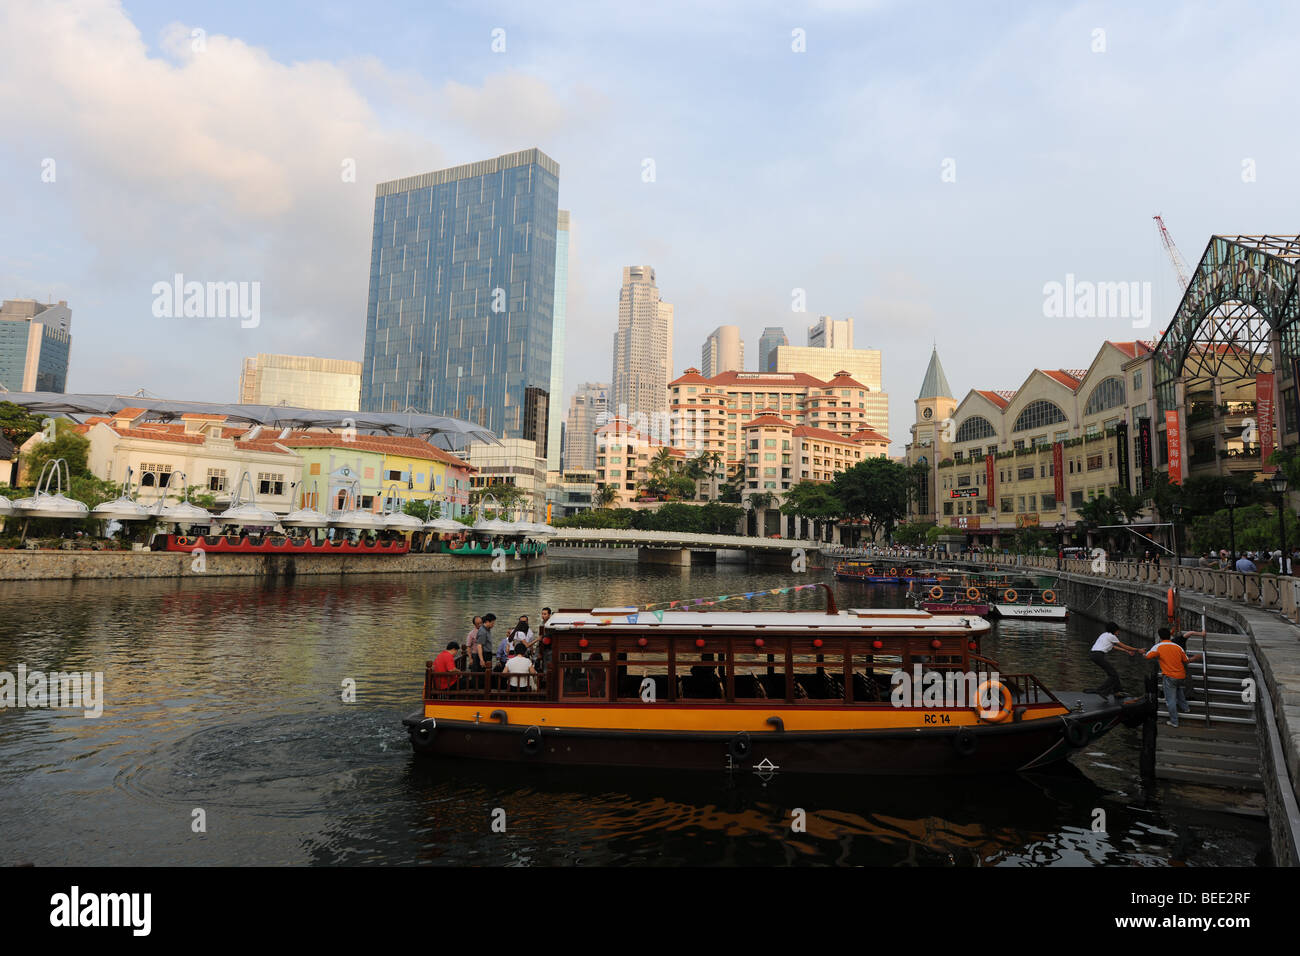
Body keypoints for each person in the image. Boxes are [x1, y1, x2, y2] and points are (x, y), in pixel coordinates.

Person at [1146, 627, 1204, 728]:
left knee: (1170, 700)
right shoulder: (1178, 647)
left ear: (1160, 637)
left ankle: (1174, 721)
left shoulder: (1158, 646)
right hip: (1181, 676)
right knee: (1179, 691)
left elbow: (1148, 656)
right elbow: (1186, 661)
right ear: (1170, 635)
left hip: (1169, 677)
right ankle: (1186, 708)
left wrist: (1145, 653)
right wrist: (1194, 658)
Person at [1086, 621, 1140, 703]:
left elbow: (1114, 647)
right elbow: (1123, 645)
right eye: (1118, 631)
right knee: (1113, 675)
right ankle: (1101, 690)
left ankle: (1117, 692)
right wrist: (1137, 649)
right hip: (1098, 655)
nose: (1118, 633)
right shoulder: (1112, 636)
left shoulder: (1104, 635)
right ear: (1115, 630)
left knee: (1113, 673)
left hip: (1093, 654)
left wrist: (1126, 651)